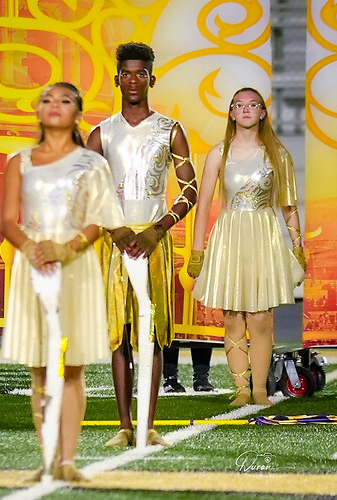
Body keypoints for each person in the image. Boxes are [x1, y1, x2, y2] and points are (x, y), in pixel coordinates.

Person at [0, 82, 124, 481]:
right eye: (47, 100)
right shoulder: (19, 161)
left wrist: (66, 248)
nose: (55, 105)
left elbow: (99, 219)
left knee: (71, 366)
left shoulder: (93, 164)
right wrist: (32, 249)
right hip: (34, 267)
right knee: (40, 367)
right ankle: (48, 459)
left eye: (65, 100)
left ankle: (68, 461)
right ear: (37, 110)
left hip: (75, 268)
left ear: (78, 113)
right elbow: (7, 220)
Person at [87, 42, 198, 446]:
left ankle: (149, 426)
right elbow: (86, 191)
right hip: (114, 242)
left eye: (141, 73)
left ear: (152, 78)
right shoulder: (101, 133)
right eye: (126, 73)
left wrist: (157, 229)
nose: (133, 80)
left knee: (150, 332)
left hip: (154, 242)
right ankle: (124, 426)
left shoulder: (170, 130)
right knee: (119, 334)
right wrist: (114, 229)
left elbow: (189, 190)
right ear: (117, 79)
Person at [188, 87, 306, 407]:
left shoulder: (278, 154)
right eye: (238, 105)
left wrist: (298, 247)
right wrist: (197, 251)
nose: (245, 109)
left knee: (260, 318)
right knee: (232, 317)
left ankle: (260, 391)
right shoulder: (218, 153)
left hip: (263, 236)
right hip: (229, 237)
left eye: (253, 105)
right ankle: (241, 389)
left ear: (263, 113)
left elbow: (288, 205)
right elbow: (203, 205)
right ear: (231, 112)